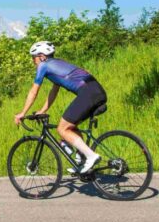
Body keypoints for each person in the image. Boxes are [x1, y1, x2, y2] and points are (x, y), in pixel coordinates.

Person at [14, 41, 107, 174]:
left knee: (62, 129)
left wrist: (22, 112)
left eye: (33, 58)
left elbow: (34, 91)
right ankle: (82, 160)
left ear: (41, 57)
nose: (33, 61)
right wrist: (42, 110)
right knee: (71, 127)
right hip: (97, 91)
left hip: (87, 93)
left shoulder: (43, 66)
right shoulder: (59, 64)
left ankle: (91, 156)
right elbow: (54, 91)